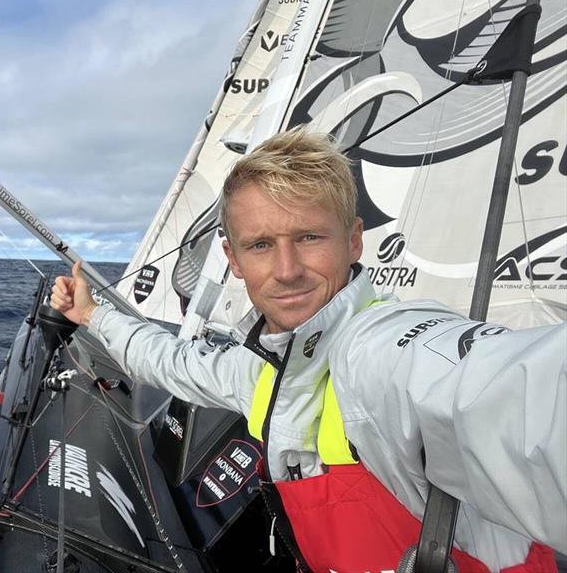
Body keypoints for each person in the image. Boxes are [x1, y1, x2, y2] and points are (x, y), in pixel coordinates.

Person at [51, 127, 565, 572]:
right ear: (232, 258)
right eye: (260, 245)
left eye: (310, 237)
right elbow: (168, 361)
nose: (288, 269)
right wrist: (93, 315)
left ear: (355, 241)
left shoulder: (386, 349)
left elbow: (516, 399)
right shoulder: (260, 369)